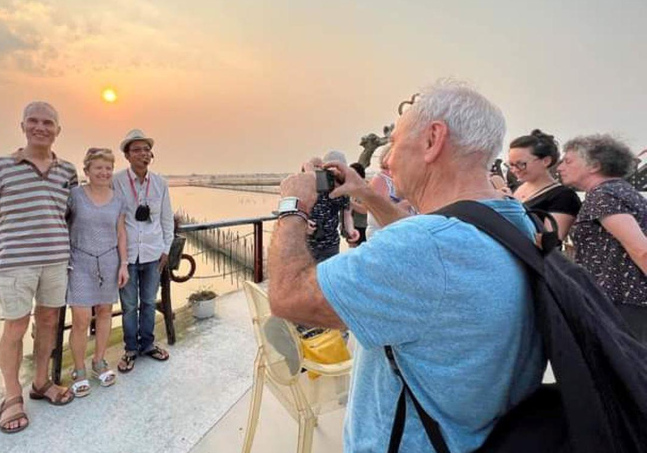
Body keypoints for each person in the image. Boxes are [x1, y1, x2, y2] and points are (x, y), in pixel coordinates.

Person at [268, 81, 544, 453]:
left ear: (433, 140)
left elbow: (288, 298)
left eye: (393, 144)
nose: (386, 160)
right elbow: (434, 249)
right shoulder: (513, 220)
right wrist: (365, 193)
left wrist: (293, 206)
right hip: (482, 435)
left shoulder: (424, 248)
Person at [0, 101, 77, 434]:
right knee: (15, 327)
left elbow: (70, 216)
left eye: (48, 122)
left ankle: (41, 382)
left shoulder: (68, 171)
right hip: (15, 263)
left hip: (56, 260)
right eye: (33, 121)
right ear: (22, 126)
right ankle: (11, 395)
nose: (41, 127)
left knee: (48, 321)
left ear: (57, 130)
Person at [557, 134, 647, 342]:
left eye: (568, 161)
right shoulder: (620, 190)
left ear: (594, 165)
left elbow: (640, 249)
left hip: (623, 301)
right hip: (625, 299)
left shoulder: (604, 195)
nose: (560, 167)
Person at [66, 148, 129, 396]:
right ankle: (78, 368)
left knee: (104, 313)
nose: (103, 173)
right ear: (87, 171)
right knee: (80, 319)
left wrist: (123, 264)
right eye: (98, 168)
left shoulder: (118, 199)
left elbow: (121, 233)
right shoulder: (74, 196)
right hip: (79, 262)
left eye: (108, 168)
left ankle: (99, 361)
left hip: (109, 261)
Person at [113, 129, 174, 373]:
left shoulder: (160, 183)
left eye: (147, 150)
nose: (143, 154)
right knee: (128, 305)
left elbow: (167, 220)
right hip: (126, 256)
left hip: (152, 254)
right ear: (127, 155)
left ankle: (148, 344)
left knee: (148, 302)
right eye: (137, 149)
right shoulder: (116, 181)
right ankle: (130, 349)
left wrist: (166, 249)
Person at [507, 129, 581, 241]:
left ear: (546, 161)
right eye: (511, 165)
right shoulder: (515, 188)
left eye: (521, 164)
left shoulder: (563, 196)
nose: (514, 170)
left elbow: (550, 242)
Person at [305, 151, 359, 262]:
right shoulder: (311, 183)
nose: (333, 175)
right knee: (308, 277)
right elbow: (298, 208)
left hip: (331, 244)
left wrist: (351, 230)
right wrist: (304, 223)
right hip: (308, 244)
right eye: (329, 171)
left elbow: (347, 214)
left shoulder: (344, 188)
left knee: (328, 277)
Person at [348, 162, 368, 246]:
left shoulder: (366, 188)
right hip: (353, 225)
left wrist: (349, 202)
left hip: (363, 227)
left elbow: (365, 210)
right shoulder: (352, 187)